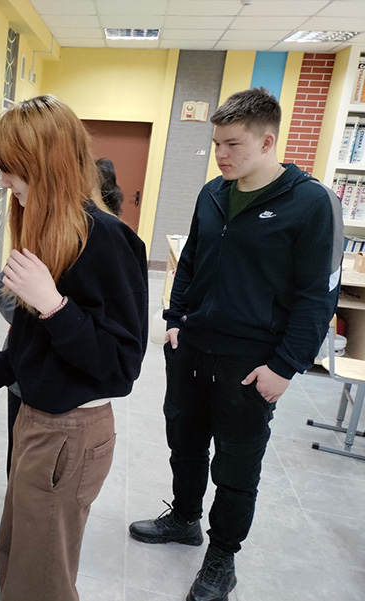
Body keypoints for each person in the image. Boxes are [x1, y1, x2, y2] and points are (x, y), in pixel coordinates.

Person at [0, 95, 149, 601]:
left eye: (12, 168)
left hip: (70, 432)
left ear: (45, 164)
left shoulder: (108, 241)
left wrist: (54, 305)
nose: (5, 180)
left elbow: (120, 366)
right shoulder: (48, 230)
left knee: (41, 580)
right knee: (17, 556)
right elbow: (31, 340)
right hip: (35, 419)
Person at [128, 87, 343, 601]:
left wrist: (286, 366)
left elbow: (318, 296)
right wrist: (174, 319)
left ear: (267, 142)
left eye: (233, 144)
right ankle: (184, 518)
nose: (221, 155)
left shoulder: (312, 203)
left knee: (236, 464)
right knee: (184, 443)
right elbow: (190, 262)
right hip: (192, 348)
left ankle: (221, 558)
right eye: (217, 144)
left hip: (251, 362)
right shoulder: (213, 193)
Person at [0, 272, 22, 477]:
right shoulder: (30, 255)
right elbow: (3, 296)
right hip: (20, 373)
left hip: (72, 391)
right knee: (18, 446)